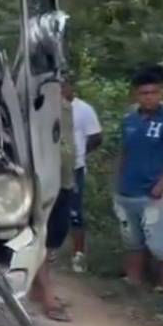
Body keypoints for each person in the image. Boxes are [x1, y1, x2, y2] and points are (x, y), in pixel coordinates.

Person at [114, 64, 163, 296]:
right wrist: (116, 183)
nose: (149, 98)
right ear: (136, 94)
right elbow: (124, 152)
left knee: (162, 246)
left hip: (154, 194)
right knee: (133, 242)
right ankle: (133, 283)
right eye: (144, 93)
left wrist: (161, 186)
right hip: (127, 192)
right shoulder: (129, 119)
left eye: (154, 92)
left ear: (162, 92)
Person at [29, 93, 76, 321]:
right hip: (45, 180)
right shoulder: (36, 101)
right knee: (42, 237)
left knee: (55, 236)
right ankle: (47, 294)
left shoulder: (66, 106)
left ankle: (39, 289)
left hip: (65, 178)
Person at [63, 80, 102, 273]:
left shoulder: (83, 109)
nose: (62, 89)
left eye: (65, 84)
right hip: (49, 166)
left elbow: (96, 137)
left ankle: (78, 255)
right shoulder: (46, 106)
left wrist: (79, 154)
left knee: (75, 211)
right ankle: (47, 252)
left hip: (74, 167)